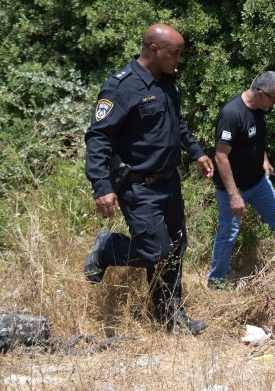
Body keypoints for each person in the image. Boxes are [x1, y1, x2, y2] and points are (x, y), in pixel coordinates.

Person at [83, 23, 214, 334]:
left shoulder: (167, 81)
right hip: (137, 186)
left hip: (170, 182)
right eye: (175, 53)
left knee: (175, 250)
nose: (179, 59)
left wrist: (196, 152)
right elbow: (98, 138)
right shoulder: (121, 87)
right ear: (154, 50)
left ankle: (170, 317)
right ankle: (108, 249)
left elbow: (177, 124)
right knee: (157, 252)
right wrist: (101, 186)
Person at [207, 71, 275, 290]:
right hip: (234, 188)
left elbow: (256, 139)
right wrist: (233, 195)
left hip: (258, 183)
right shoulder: (232, 114)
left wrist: (263, 160)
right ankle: (216, 282)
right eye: (274, 99)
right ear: (259, 92)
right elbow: (220, 156)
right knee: (228, 233)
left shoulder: (259, 109)